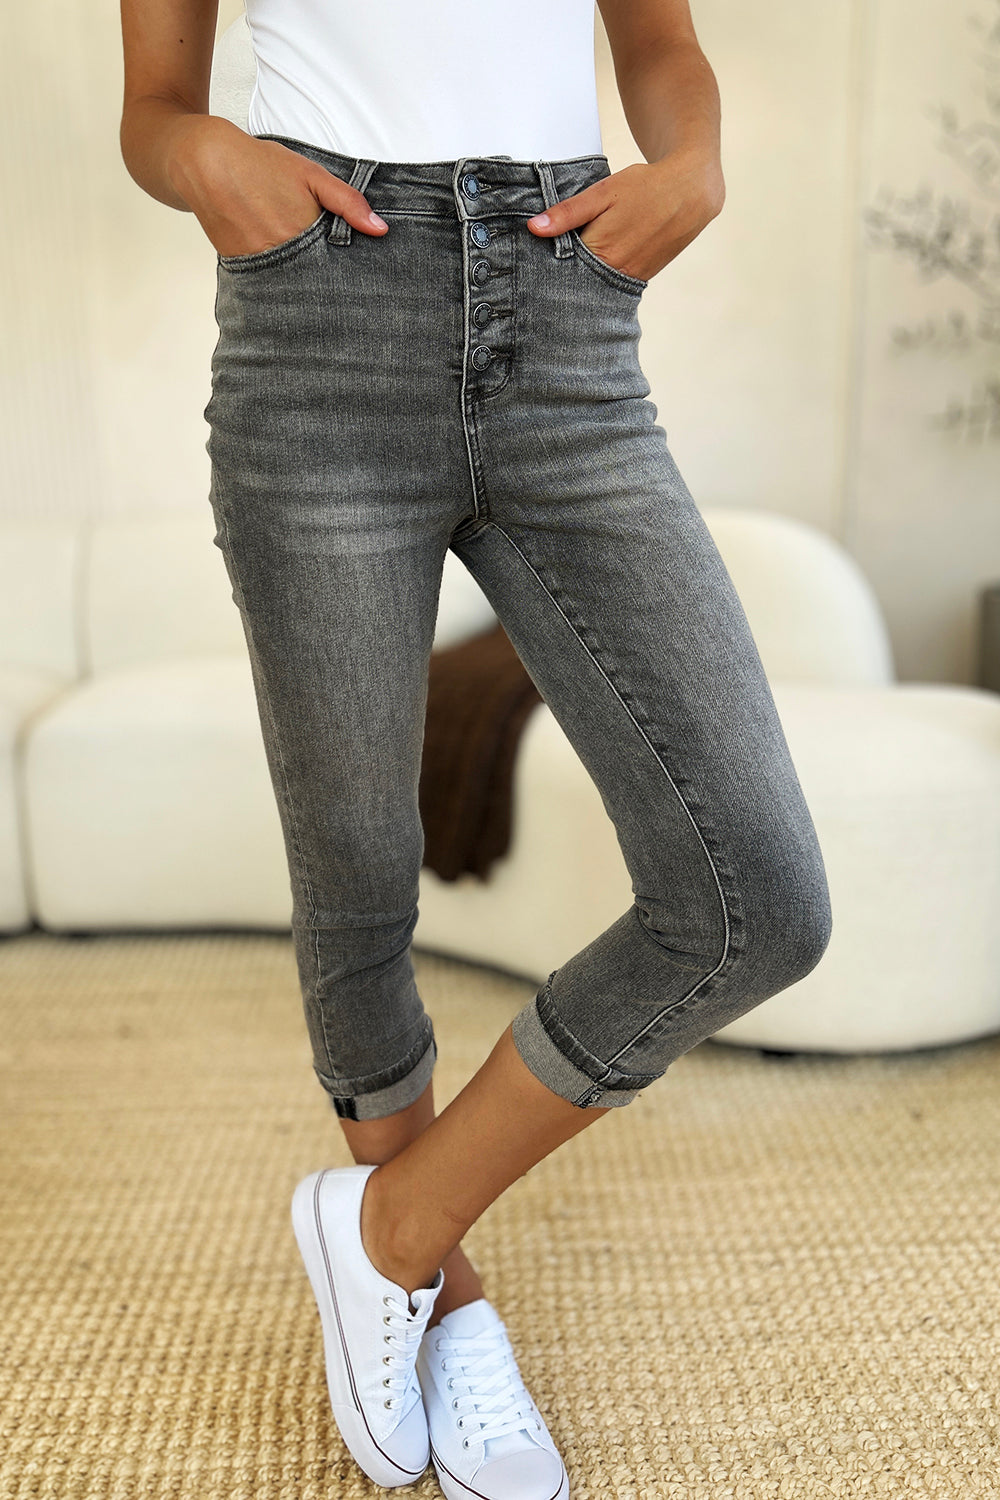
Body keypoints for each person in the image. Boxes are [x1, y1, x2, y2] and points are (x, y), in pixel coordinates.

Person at [119, 2, 833, 1495]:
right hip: (320, 333)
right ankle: (448, 1304)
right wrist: (210, 162)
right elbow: (156, 108)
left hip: (567, 325)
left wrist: (693, 160)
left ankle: (387, 1237)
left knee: (756, 890)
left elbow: (659, 41)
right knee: (361, 874)